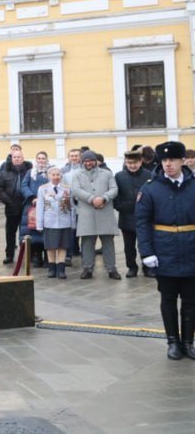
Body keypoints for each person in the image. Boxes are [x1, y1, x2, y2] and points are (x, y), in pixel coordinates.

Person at [137, 140, 195, 360]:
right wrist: (147, 252)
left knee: (191, 300)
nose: (168, 164)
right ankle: (172, 342)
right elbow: (142, 222)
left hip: (191, 249)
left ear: (183, 161)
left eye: (173, 160)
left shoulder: (193, 184)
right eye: (164, 160)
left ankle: (188, 341)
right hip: (164, 250)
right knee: (168, 298)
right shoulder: (151, 187)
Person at [69, 150, 120, 280]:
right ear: (82, 162)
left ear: (95, 161)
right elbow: (76, 190)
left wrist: (103, 198)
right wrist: (92, 199)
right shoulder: (77, 175)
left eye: (91, 160)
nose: (89, 163)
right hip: (87, 213)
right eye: (86, 161)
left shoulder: (107, 174)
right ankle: (87, 268)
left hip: (105, 212)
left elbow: (114, 189)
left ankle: (111, 268)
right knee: (87, 243)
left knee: (108, 242)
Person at [35, 166, 76, 279]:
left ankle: (61, 269)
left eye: (58, 175)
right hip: (50, 222)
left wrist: (73, 223)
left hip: (64, 222)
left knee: (63, 246)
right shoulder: (43, 189)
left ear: (61, 176)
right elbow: (40, 207)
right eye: (53, 175)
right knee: (50, 246)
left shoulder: (67, 189)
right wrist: (39, 223)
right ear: (49, 176)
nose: (56, 177)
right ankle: (51, 268)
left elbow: (72, 207)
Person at [116, 148, 150, 278]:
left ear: (141, 161)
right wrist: (121, 207)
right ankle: (131, 267)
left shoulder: (149, 175)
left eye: (135, 163)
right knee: (129, 246)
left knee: (145, 244)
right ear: (126, 162)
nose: (132, 166)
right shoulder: (119, 176)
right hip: (126, 216)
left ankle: (147, 267)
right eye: (129, 163)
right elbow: (116, 195)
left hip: (145, 218)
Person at [0, 145, 32, 265]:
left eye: (19, 157)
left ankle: (27, 255)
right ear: (11, 158)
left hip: (25, 205)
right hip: (11, 206)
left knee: (26, 232)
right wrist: (7, 201)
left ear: (23, 158)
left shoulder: (29, 172)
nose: (17, 159)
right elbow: (0, 189)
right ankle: (9, 255)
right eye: (15, 157)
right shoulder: (4, 172)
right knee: (10, 233)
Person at [20, 155, 51, 268]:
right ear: (36, 160)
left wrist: (44, 198)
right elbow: (23, 185)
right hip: (32, 205)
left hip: (47, 206)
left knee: (46, 232)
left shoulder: (51, 171)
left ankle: (48, 257)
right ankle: (37, 256)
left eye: (43, 158)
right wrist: (32, 197)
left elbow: (54, 186)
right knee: (33, 232)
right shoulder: (30, 172)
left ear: (46, 160)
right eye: (39, 158)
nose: (41, 160)